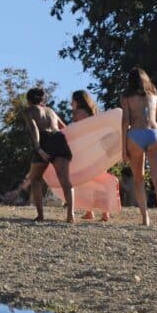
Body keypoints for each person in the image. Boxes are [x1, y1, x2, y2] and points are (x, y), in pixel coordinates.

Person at [121, 68, 157, 227]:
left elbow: (125, 122)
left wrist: (123, 148)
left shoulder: (126, 97)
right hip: (154, 134)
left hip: (135, 134)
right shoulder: (154, 96)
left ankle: (145, 218)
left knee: (138, 179)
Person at [23, 87, 75, 222]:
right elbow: (65, 128)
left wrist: (38, 148)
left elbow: (34, 128)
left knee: (35, 179)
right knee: (65, 181)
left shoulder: (29, 111)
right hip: (58, 139)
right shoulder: (51, 111)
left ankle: (41, 215)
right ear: (42, 99)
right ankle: (71, 215)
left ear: (28, 100)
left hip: (44, 140)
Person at [71, 90, 110, 221]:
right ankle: (105, 213)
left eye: (72, 101)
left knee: (87, 181)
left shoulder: (77, 113)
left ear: (77, 101)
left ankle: (90, 212)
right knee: (101, 181)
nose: (71, 103)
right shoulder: (94, 112)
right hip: (99, 147)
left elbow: (77, 131)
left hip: (86, 149)